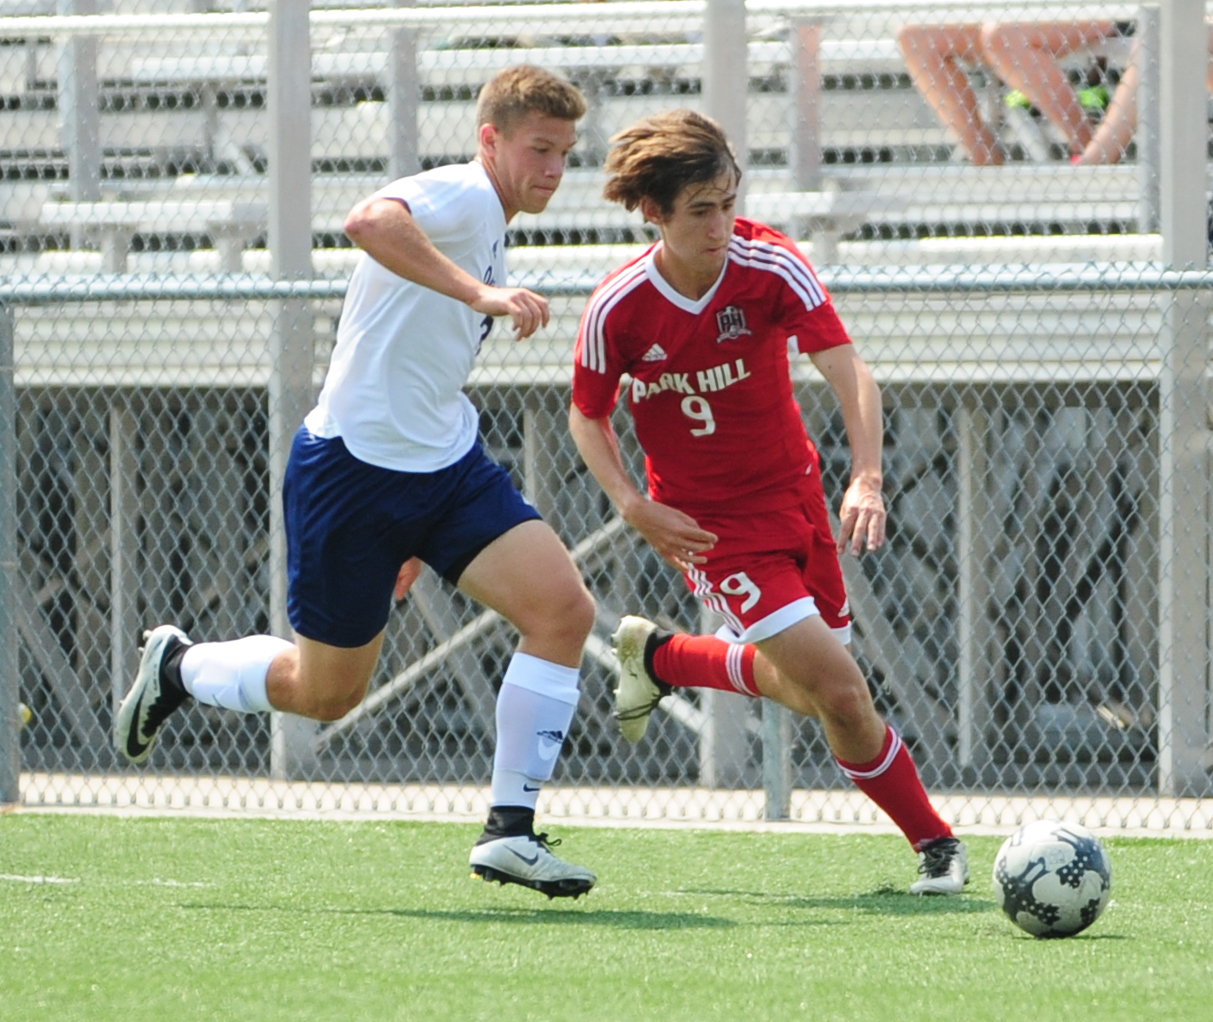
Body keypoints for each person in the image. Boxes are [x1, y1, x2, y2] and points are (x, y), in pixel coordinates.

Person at [114, 65, 598, 900]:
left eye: (564, 153)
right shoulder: (465, 194)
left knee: (562, 611)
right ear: (490, 141)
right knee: (326, 693)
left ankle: (509, 833)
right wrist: (480, 291)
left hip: (444, 466)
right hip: (353, 474)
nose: (553, 168)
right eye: (538, 149)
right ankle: (180, 668)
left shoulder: (490, 218)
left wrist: (417, 532)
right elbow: (367, 220)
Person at [568, 109, 967, 895]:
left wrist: (866, 476)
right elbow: (587, 415)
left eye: (727, 203)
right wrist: (630, 503)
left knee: (820, 696)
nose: (720, 226)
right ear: (652, 212)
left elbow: (846, 366)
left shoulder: (769, 264)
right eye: (699, 211)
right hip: (711, 530)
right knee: (843, 692)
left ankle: (662, 657)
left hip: (796, 501)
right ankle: (937, 844)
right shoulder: (619, 306)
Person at [898, 20, 1129, 164]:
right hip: (1010, 15)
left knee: (1001, 37)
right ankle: (984, 160)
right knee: (914, 37)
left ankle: (1090, 148)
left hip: (1090, 10)